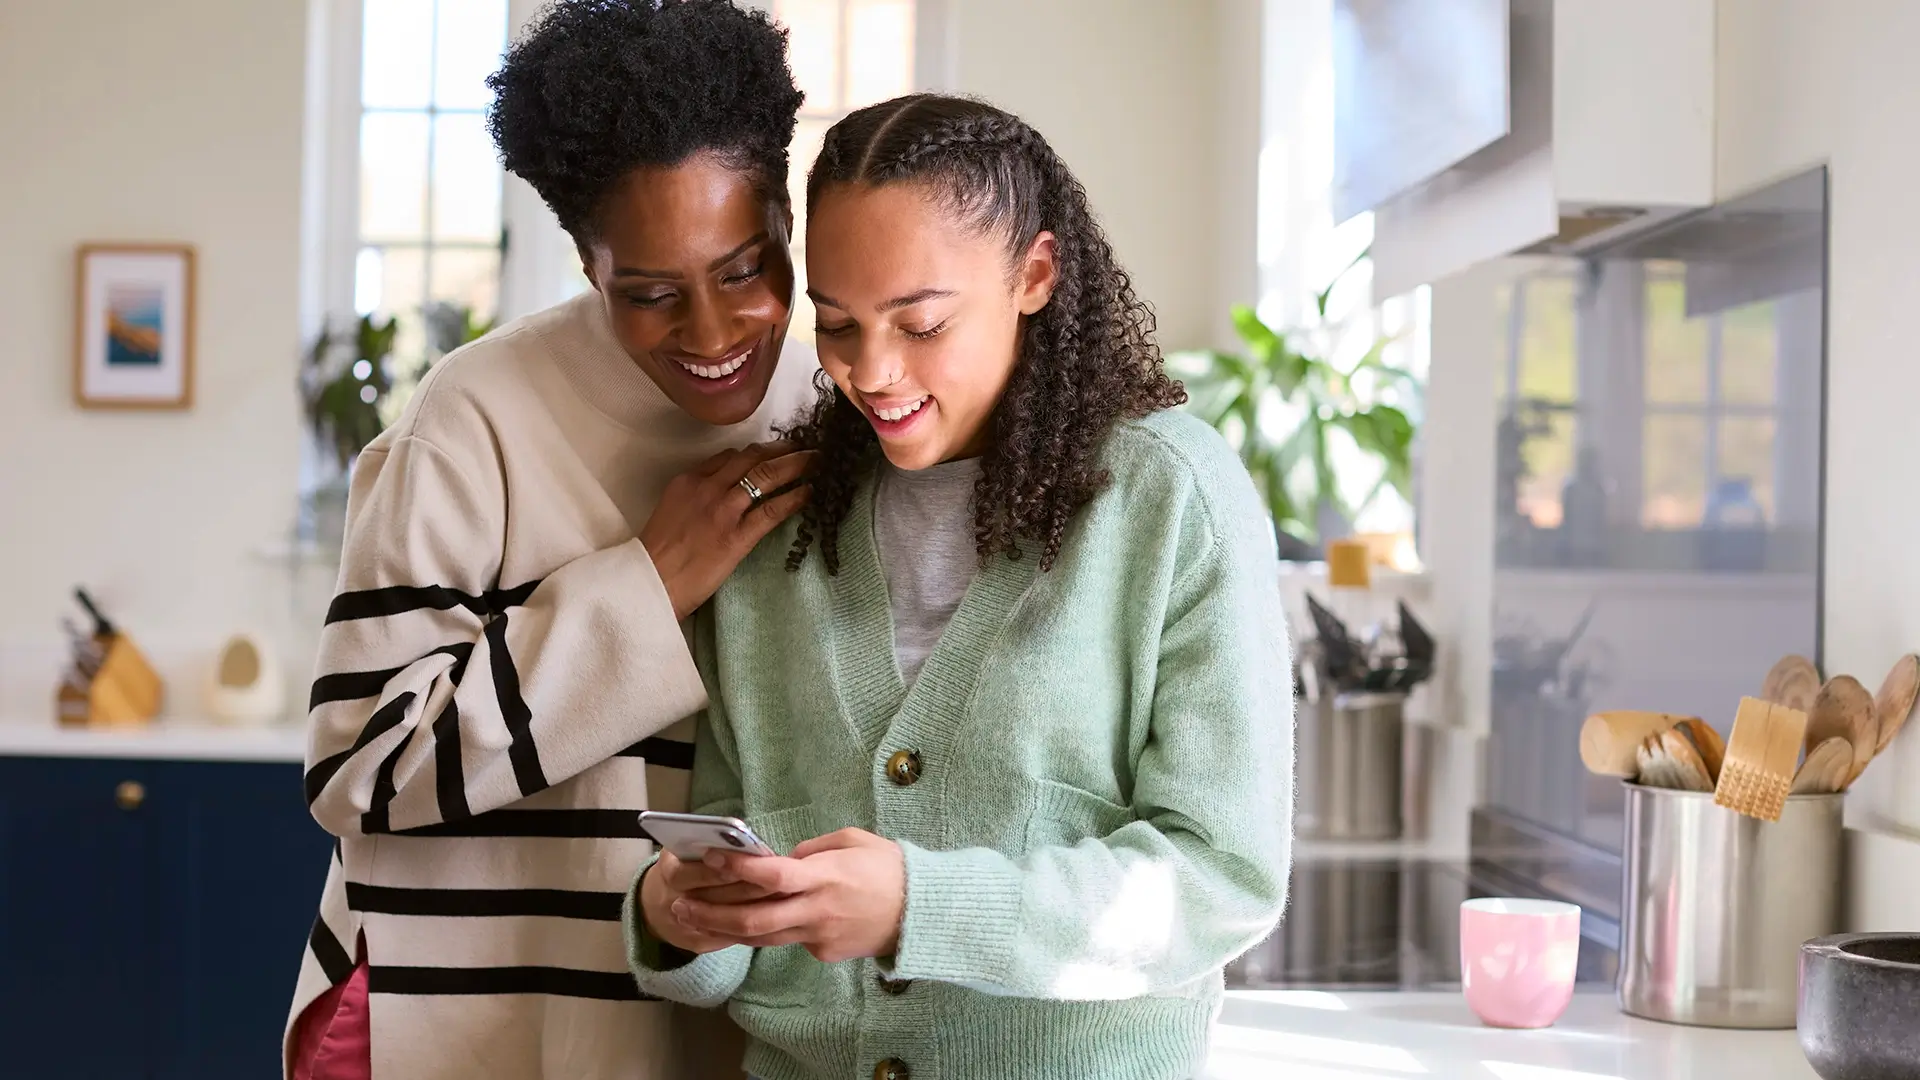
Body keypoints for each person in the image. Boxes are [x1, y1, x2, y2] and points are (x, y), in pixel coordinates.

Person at [627, 93, 1295, 1080]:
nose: (873, 371)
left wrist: (918, 906)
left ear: (1034, 273)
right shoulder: (778, 538)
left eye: (922, 323)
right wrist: (676, 916)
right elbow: (738, 871)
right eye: (840, 326)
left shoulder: (1171, 499)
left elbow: (1221, 878)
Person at [285, 3, 816, 1078]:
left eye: (746, 269)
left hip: (709, 1033)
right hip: (469, 1033)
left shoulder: (832, 415)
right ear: (586, 262)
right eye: (652, 295)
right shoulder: (473, 420)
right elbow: (358, 768)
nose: (713, 335)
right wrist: (647, 591)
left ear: (787, 225)